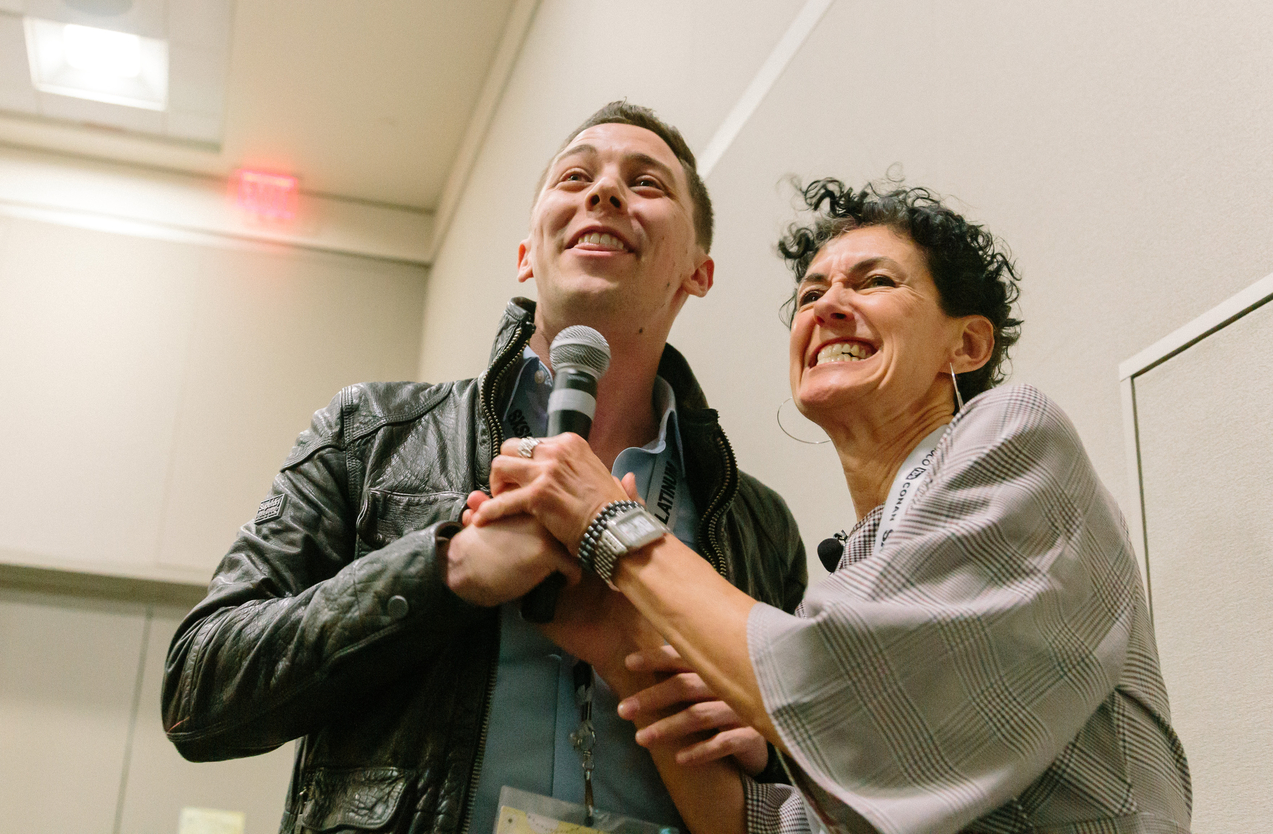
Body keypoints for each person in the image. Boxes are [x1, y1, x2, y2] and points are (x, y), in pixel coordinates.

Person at [161, 101, 809, 834]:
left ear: (699, 271)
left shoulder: (757, 526)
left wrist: (760, 751)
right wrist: (446, 569)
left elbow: (828, 781)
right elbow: (198, 688)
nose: (604, 193)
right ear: (528, 254)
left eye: (647, 184)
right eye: (575, 177)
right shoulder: (371, 434)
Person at [467, 179, 1192, 834]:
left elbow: (843, 689)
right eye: (811, 295)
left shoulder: (1018, 434)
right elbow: (783, 827)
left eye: (874, 282)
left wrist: (607, 525)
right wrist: (624, 647)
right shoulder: (862, 565)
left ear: (966, 344)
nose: (829, 307)